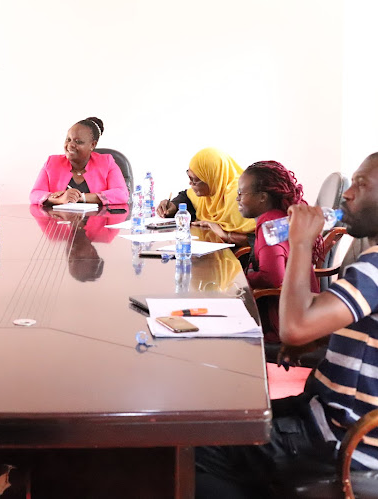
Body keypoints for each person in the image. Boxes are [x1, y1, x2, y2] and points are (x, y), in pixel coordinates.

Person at [196, 153, 378, 498]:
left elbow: (294, 327)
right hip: (322, 414)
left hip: (338, 442)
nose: (348, 193)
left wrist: (299, 242)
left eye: (362, 184)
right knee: (219, 421)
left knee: (193, 448)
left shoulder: (375, 267)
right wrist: (318, 340)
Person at [236, 161, 322, 342]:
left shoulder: (272, 225)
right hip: (302, 313)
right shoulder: (279, 217)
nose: (237, 199)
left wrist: (237, 278)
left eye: (241, 193)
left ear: (262, 197)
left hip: (284, 323)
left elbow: (272, 277)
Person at [156, 147, 255, 245]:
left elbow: (259, 238)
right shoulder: (211, 192)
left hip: (237, 257)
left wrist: (226, 235)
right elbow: (187, 197)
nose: (190, 183)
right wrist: (173, 206)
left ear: (212, 178)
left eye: (194, 180)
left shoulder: (240, 198)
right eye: (189, 176)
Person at [29, 117, 129, 206]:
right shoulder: (52, 162)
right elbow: (35, 195)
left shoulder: (106, 162)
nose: (70, 145)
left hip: (99, 224)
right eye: (68, 139)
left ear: (92, 145)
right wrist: (59, 199)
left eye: (78, 142)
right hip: (60, 223)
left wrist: (81, 197)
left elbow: (122, 194)